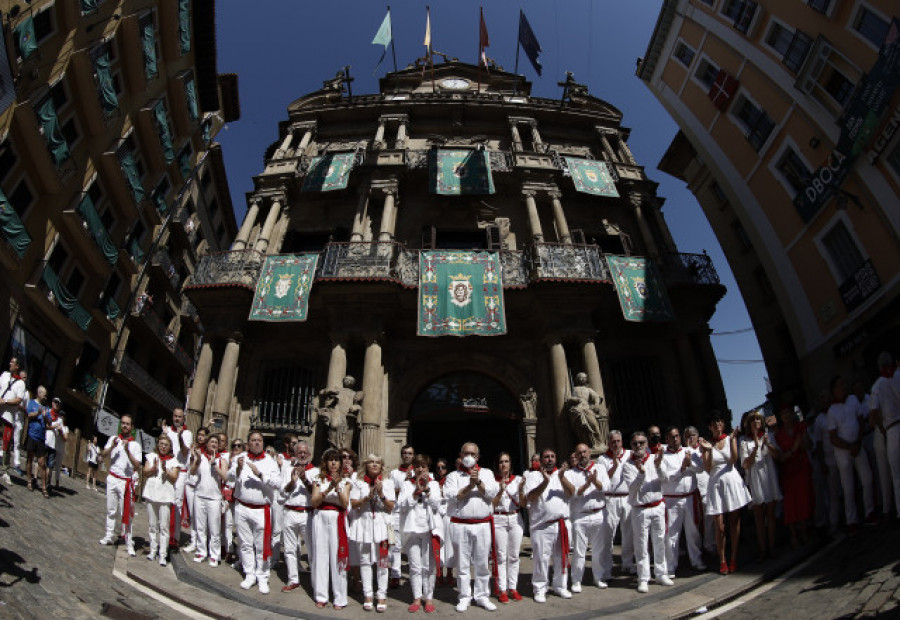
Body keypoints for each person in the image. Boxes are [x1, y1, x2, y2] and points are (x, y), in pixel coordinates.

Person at [443, 442, 499, 612]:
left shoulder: (487, 473)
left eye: (472, 454)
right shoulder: (453, 476)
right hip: (461, 524)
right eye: (465, 453)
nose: (469, 457)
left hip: (482, 524)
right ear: (460, 455)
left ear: (478, 457)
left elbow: (492, 493)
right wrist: (470, 485)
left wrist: (478, 482)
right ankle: (464, 596)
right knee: (463, 563)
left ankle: (482, 596)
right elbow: (453, 497)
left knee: (482, 563)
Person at [699, 413, 751, 574]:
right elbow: (707, 468)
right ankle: (722, 560)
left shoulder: (730, 439)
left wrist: (733, 439)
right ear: (710, 427)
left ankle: (733, 557)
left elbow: (733, 460)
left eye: (720, 422)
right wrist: (707, 450)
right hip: (715, 483)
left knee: (734, 521)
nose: (717, 425)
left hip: (731, 480)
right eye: (714, 423)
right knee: (719, 525)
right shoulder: (706, 443)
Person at [228, 431, 280, 593]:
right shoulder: (240, 458)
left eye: (259, 440)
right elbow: (229, 479)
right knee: (245, 543)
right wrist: (237, 469)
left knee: (261, 545)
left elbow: (278, 483)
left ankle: (263, 576)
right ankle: (249, 574)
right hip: (242, 507)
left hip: (261, 509)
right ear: (248, 443)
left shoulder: (270, 462)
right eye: (253, 440)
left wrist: (260, 474)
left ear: (263, 443)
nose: (256, 443)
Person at [622, 431, 674, 593]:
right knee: (641, 545)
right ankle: (643, 577)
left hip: (657, 505)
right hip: (640, 509)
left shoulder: (655, 459)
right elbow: (632, 488)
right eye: (635, 443)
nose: (638, 446)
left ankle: (661, 573)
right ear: (630, 446)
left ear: (646, 444)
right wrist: (641, 473)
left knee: (659, 541)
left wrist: (658, 467)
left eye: (641, 443)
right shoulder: (628, 465)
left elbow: (665, 480)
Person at [524, 447, 574, 603]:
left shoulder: (565, 474)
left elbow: (572, 492)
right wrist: (545, 482)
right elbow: (530, 497)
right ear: (540, 460)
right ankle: (540, 588)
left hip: (562, 523)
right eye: (546, 457)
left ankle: (560, 586)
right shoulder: (532, 476)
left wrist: (562, 477)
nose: (550, 459)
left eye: (552, 456)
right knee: (541, 558)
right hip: (541, 525)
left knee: (562, 557)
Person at [827, 376, 876, 534]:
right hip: (843, 452)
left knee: (867, 479)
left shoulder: (854, 400)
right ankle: (852, 520)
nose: (844, 387)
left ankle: (870, 512)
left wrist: (858, 442)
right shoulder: (832, 411)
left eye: (844, 384)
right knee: (848, 486)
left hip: (857, 445)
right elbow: (833, 437)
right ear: (834, 390)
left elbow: (861, 421)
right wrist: (849, 446)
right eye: (840, 385)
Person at [351, 453, 396, 612]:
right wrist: (367, 497)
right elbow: (354, 504)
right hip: (363, 524)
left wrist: (381, 494)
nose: (375, 465)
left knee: (382, 562)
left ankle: (381, 595)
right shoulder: (358, 483)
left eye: (378, 462)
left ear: (381, 466)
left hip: (382, 526)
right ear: (366, 465)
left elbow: (391, 507)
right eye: (371, 462)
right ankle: (368, 595)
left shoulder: (388, 483)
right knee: (365, 561)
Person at [398, 454, 442, 613]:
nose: (420, 469)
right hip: (412, 528)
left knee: (428, 566)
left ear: (427, 468)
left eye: (423, 466)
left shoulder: (435, 484)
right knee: (415, 566)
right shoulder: (406, 485)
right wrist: (416, 492)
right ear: (413, 468)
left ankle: (429, 597)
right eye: (417, 466)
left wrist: (427, 490)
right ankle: (417, 597)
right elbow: (401, 506)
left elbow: (438, 506)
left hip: (429, 528)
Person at [310, 448, 353, 609]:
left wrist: (337, 487)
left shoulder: (346, 481)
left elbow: (344, 503)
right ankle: (321, 595)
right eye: (330, 460)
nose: (333, 463)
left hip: (337, 518)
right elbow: (314, 501)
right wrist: (328, 489)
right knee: (320, 556)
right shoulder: (318, 479)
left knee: (338, 558)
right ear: (325, 463)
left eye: (336, 460)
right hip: (320, 516)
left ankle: (340, 597)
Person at [660, 426, 705, 575]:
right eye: (672, 437)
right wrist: (682, 468)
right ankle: (671, 566)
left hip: (690, 497)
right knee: (672, 534)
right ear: (667, 439)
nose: (675, 439)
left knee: (693, 532)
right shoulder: (663, 456)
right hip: (672, 501)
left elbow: (700, 468)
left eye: (677, 436)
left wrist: (689, 463)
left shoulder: (689, 451)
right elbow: (665, 478)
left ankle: (696, 560)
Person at [566, 442, 610, 592]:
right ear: (576, 456)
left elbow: (606, 488)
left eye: (584, 452)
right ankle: (576, 580)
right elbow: (573, 494)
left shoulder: (600, 468)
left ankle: (598, 577)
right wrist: (587, 484)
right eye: (579, 453)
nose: (582, 455)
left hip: (598, 513)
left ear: (589, 452)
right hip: (581, 516)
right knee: (579, 551)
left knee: (599, 549)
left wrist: (595, 481)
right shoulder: (570, 473)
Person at [740, 411, 782, 561]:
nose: (756, 422)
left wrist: (767, 444)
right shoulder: (745, 442)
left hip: (768, 476)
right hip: (756, 478)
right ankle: (762, 550)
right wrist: (756, 448)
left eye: (758, 419)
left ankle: (772, 547)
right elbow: (745, 464)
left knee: (770, 513)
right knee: (759, 516)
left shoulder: (769, 436)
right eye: (753, 420)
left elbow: (777, 456)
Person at [99, 414, 143, 555]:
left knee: (126, 513)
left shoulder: (135, 445)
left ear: (132, 427)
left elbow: (137, 465)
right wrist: (112, 446)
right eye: (123, 423)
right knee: (111, 509)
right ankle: (109, 535)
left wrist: (127, 450)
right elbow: (103, 455)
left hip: (126, 481)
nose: (125, 426)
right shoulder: (113, 439)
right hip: (113, 477)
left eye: (127, 424)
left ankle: (129, 541)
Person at [774, 404, 814, 546]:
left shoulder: (800, 428)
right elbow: (779, 457)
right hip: (788, 470)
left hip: (801, 466)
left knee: (803, 500)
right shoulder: (778, 435)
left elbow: (809, 445)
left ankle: (804, 532)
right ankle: (793, 535)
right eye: (783, 413)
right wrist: (794, 448)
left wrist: (802, 441)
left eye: (788, 412)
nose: (786, 416)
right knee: (791, 504)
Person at [280, 439, 318, 592]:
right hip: (289, 511)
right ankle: (293, 579)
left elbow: (314, 493)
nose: (302, 454)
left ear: (309, 454)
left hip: (306, 513)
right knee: (289, 549)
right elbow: (283, 491)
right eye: (299, 452)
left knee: (310, 549)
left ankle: (316, 581)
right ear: (294, 454)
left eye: (305, 452)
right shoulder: (287, 469)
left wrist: (303, 479)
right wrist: (291, 481)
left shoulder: (315, 471)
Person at [597, 430, 635, 580]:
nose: (616, 444)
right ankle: (606, 568)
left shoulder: (629, 454)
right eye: (613, 442)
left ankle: (627, 563)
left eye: (618, 441)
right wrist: (614, 463)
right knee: (608, 534)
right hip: (611, 499)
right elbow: (603, 478)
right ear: (608, 443)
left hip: (627, 497)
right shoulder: (602, 459)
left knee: (629, 533)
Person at [870, 352, 900, 521]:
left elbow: (873, 413)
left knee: (897, 475)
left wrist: (880, 426)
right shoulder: (898, 376)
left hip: (892, 430)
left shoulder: (877, 386)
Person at [142, 436, 181, 566]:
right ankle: (153, 550)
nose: (163, 447)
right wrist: (153, 469)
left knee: (164, 526)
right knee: (152, 525)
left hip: (165, 496)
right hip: (152, 493)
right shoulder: (152, 456)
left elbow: (174, 477)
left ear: (170, 447)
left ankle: (162, 554)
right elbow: (145, 471)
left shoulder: (174, 461)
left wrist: (165, 469)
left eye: (166, 445)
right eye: (161, 444)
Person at [491, 451, 525, 602]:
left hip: (515, 517)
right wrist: (500, 489)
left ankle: (513, 587)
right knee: (500, 556)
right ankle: (502, 589)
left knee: (514, 556)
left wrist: (522, 490)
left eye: (506, 461)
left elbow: (523, 504)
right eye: (501, 462)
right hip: (499, 518)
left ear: (511, 464)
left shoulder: (518, 480)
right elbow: (490, 504)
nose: (503, 464)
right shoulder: (492, 481)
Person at [190, 435, 227, 566]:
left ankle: (214, 554)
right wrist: (197, 460)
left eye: (216, 442)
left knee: (214, 528)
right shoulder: (200, 458)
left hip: (214, 498)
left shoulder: (222, 460)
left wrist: (216, 467)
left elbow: (226, 477)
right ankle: (201, 551)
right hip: (199, 496)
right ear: (206, 444)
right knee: (200, 527)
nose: (214, 444)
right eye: (212, 441)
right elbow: (192, 472)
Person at [161, 408, 193, 549]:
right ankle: (163, 534)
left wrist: (179, 436)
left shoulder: (187, 433)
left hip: (181, 472)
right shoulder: (167, 431)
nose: (177, 418)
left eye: (179, 416)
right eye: (175, 416)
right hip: (167, 469)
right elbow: (161, 447)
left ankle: (175, 538)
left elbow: (185, 452)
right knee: (164, 501)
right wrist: (164, 433)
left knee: (176, 504)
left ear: (183, 418)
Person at [813, 388, 843, 533]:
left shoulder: (836, 411)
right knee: (833, 492)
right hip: (829, 458)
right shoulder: (819, 420)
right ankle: (834, 523)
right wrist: (823, 462)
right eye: (821, 399)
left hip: (843, 453)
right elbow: (818, 443)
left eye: (825, 397)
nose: (823, 401)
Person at [684, 426, 716, 554]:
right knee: (693, 522)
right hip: (691, 489)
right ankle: (696, 548)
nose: (690, 438)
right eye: (687, 436)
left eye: (692, 435)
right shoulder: (682, 451)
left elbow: (707, 465)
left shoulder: (703, 448)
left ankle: (709, 543)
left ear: (697, 436)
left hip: (705, 486)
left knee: (708, 518)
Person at [388, 444, 415, 588]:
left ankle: (414, 574)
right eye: (404, 453)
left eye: (410, 453)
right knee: (395, 545)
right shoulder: (394, 473)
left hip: (412, 512)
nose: (407, 456)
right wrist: (405, 484)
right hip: (397, 512)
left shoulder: (419, 471)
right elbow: (390, 492)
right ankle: (395, 575)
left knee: (412, 545)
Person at [0, 357, 26, 485]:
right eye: (10, 361)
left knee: (6, 444)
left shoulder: (21, 383)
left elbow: (18, 400)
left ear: (17, 366)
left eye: (13, 362)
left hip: (8, 417)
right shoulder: (4, 375)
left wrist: (4, 401)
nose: (10, 363)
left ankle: (5, 470)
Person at [434, 457, 455, 587]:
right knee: (438, 543)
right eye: (438, 468)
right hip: (437, 515)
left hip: (448, 514)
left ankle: (450, 572)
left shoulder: (451, 481)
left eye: (443, 467)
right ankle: (439, 571)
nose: (441, 470)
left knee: (449, 544)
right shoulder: (433, 482)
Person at [24, 386, 48, 493]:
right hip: (32, 435)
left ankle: (44, 486)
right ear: (39, 393)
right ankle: (29, 481)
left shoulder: (46, 407)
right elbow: (28, 415)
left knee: (42, 463)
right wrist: (37, 414)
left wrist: (45, 416)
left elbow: (50, 422)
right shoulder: (32, 403)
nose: (45, 396)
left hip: (41, 438)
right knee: (30, 458)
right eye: (44, 394)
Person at [50, 407, 69, 489]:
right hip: (53, 446)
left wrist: (61, 432)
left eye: (62, 416)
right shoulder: (56, 423)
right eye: (60, 415)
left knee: (58, 467)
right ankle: (48, 481)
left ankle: (57, 483)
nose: (61, 417)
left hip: (60, 449)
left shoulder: (65, 428)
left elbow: (65, 438)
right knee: (50, 464)